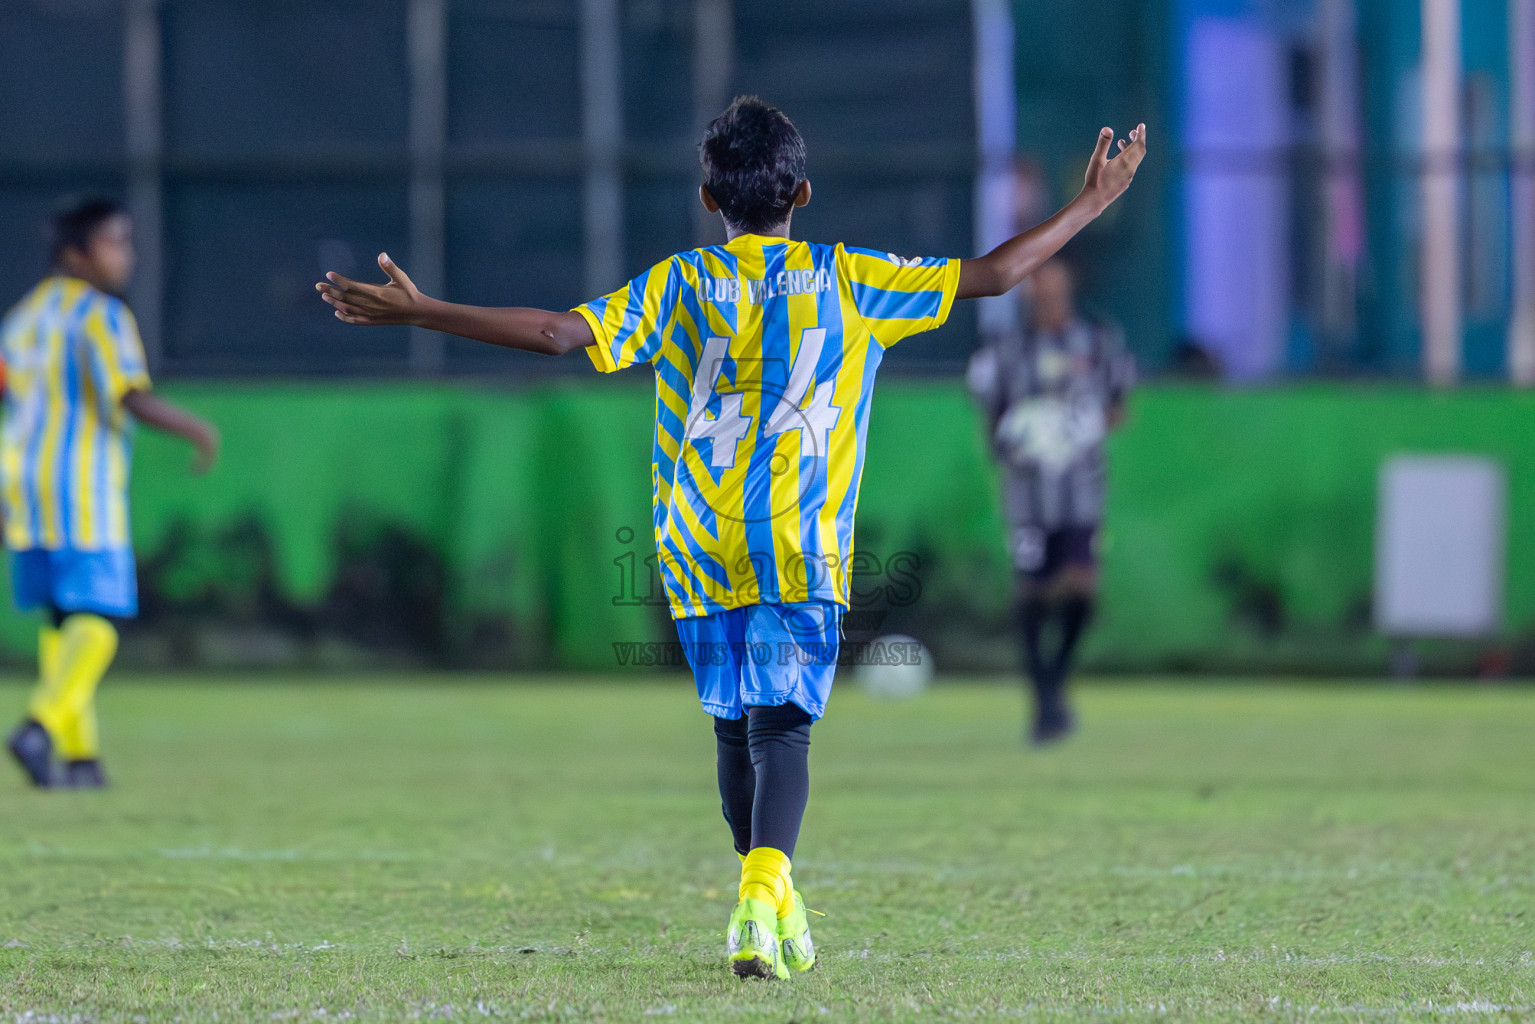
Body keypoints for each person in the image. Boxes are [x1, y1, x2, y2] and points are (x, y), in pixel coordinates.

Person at [317, 96, 1146, 979]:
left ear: (709, 199)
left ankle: (773, 904)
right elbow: (992, 274)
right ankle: (761, 891)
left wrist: (424, 310)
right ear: (804, 192)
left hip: (696, 544)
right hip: (797, 539)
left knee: (731, 726)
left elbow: (560, 335)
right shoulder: (851, 277)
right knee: (782, 731)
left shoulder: (678, 285)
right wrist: (1090, 202)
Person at [3, 198, 220, 789]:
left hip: (23, 484)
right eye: (115, 242)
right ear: (76, 254)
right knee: (97, 618)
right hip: (81, 487)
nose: (126, 255)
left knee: (62, 620)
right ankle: (40, 727)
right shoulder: (101, 316)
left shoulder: (22, 317)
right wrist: (197, 428)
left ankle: (80, 760)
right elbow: (129, 395)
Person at [967, 257, 1134, 745]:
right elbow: (991, 417)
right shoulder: (1005, 349)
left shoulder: (1099, 342)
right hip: (1027, 493)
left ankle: (1053, 687)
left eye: (1053, 277)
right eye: (1036, 279)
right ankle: (1044, 701)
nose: (1045, 288)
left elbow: (1119, 405)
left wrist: (1081, 428)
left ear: (1069, 282)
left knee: (1082, 584)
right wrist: (1017, 441)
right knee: (1031, 592)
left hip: (1082, 488)